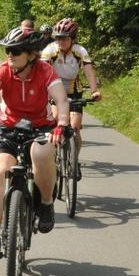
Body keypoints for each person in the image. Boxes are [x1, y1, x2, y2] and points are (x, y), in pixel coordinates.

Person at [0, 27, 70, 261]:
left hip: (40, 126)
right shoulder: (3, 71)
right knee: (0, 172)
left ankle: (46, 203)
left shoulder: (45, 71)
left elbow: (61, 99)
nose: (10, 55)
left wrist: (62, 124)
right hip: (7, 127)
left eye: (16, 51)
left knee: (43, 152)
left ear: (31, 54)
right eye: (8, 50)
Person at [41, 17, 101, 180]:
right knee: (55, 119)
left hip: (74, 92)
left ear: (72, 39)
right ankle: (54, 156)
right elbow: (42, 73)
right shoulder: (49, 50)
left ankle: (73, 160)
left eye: (65, 38)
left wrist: (94, 91)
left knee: (74, 128)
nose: (61, 41)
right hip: (54, 90)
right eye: (58, 37)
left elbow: (89, 71)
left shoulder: (80, 51)